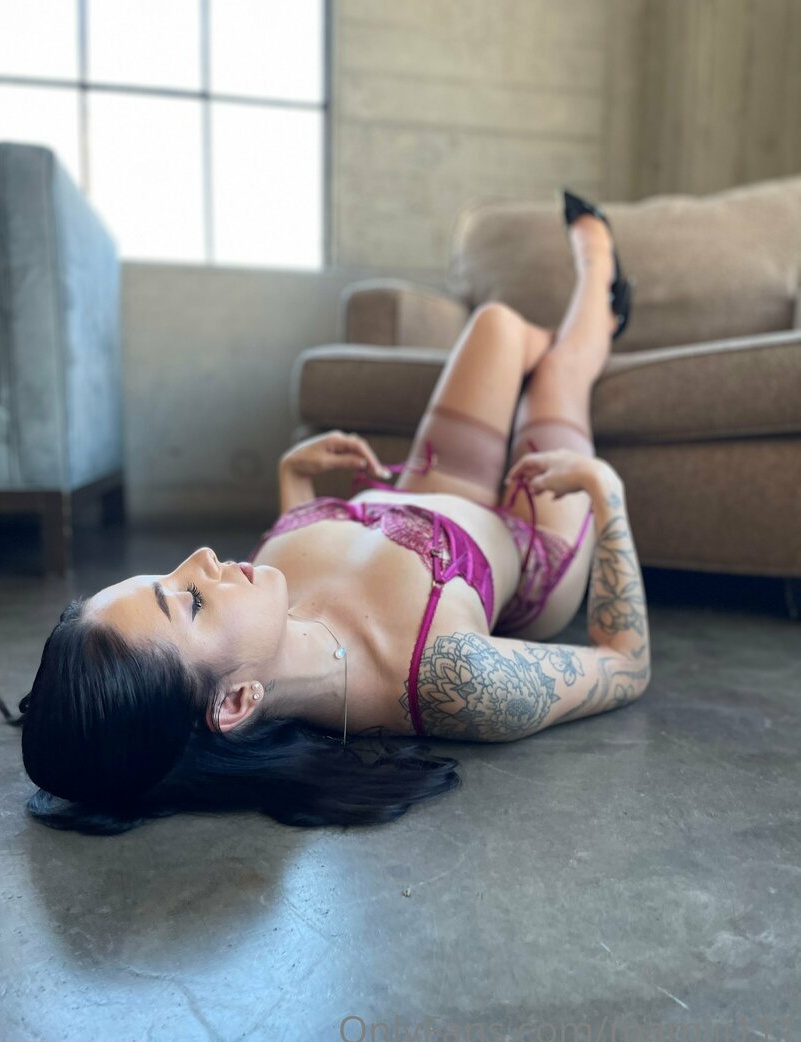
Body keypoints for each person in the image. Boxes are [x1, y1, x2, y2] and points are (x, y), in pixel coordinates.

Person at [17, 190, 650, 835]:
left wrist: (293, 481)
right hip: (529, 531)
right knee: (561, 374)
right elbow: (626, 662)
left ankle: (587, 328)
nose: (201, 558)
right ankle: (597, 277)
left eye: (166, 576)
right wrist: (606, 494)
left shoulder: (256, 610)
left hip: (428, 479)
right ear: (236, 703)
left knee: (498, 326)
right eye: (192, 601)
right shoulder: (454, 677)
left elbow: (318, 586)